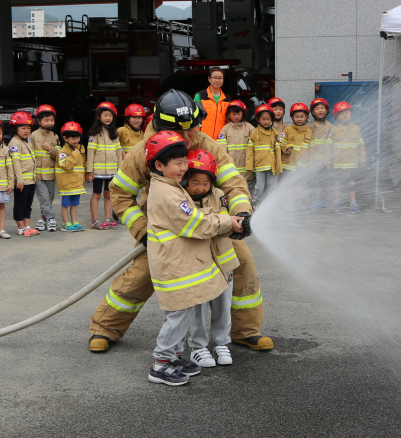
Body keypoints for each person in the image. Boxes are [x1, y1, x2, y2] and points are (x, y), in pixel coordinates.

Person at [88, 89, 272, 353]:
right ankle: (105, 328)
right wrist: (142, 230)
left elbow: (234, 184)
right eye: (179, 131)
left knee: (242, 265)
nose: (188, 137)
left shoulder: (207, 143)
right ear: (162, 126)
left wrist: (242, 213)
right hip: (168, 231)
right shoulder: (145, 151)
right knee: (140, 277)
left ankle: (246, 331)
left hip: (213, 227)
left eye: (193, 128)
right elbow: (120, 193)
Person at [143, 132, 244, 386]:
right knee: (177, 315)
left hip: (179, 264)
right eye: (177, 163)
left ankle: (175, 356)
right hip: (173, 267)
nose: (182, 168)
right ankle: (161, 363)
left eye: (183, 162)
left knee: (185, 311)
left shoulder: (170, 187)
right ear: (159, 165)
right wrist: (227, 221)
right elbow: (195, 224)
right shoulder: (168, 194)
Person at [181, 148, 239, 368]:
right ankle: (198, 346)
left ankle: (221, 342)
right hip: (196, 261)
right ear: (185, 179)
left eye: (206, 183)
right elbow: (193, 225)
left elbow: (223, 223)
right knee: (198, 304)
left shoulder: (219, 195)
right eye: (195, 182)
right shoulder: (181, 199)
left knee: (223, 303)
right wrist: (218, 220)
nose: (201, 188)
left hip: (223, 259)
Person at [86, 102, 121, 229]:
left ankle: (107, 219)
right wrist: (89, 171)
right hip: (98, 171)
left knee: (108, 195)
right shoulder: (94, 133)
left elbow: (118, 153)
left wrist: (119, 171)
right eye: (105, 115)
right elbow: (90, 153)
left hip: (112, 171)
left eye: (110, 115)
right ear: (98, 116)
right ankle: (95, 221)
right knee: (96, 195)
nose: (108, 118)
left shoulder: (114, 133)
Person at [330, 101, 367, 213]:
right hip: (338, 163)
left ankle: (353, 202)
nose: (345, 115)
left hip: (352, 163)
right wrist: (328, 160)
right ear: (337, 117)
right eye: (341, 114)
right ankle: (337, 202)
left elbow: (361, 146)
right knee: (338, 183)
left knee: (352, 183)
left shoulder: (356, 128)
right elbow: (328, 147)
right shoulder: (334, 130)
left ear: (351, 114)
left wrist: (363, 159)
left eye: (347, 112)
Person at [52, 120, 87, 232]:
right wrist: (75, 154)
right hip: (66, 184)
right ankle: (65, 223)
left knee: (74, 204)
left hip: (77, 183)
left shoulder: (81, 149)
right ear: (65, 138)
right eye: (72, 138)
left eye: (77, 137)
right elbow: (65, 166)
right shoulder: (62, 152)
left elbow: (83, 165)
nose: (75, 140)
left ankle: (74, 221)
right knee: (65, 204)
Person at [8, 111, 39, 237]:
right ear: (15, 129)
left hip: (31, 180)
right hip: (22, 181)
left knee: (28, 204)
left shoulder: (27, 141)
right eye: (23, 128)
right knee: (20, 205)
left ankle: (27, 225)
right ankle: (20, 227)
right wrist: (19, 180)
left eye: (29, 128)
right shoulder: (15, 143)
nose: (26, 131)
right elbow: (16, 163)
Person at [246, 103, 282, 205]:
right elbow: (250, 150)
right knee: (259, 187)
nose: (266, 122)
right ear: (258, 120)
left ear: (271, 119)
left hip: (272, 165)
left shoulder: (274, 133)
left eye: (268, 119)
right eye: (263, 119)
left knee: (272, 187)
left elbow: (279, 147)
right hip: (260, 165)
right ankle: (255, 203)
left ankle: (271, 204)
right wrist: (249, 165)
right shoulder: (254, 133)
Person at [31, 104, 59, 232]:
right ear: (38, 121)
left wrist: (50, 149)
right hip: (37, 174)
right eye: (46, 120)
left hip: (51, 173)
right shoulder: (33, 136)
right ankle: (52, 218)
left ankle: (42, 218)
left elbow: (59, 155)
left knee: (50, 197)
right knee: (44, 197)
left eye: (51, 120)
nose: (49, 122)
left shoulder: (55, 136)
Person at [308, 97, 333, 210]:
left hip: (325, 161)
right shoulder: (310, 127)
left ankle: (324, 200)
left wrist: (330, 160)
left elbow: (332, 145)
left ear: (327, 110)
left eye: (322, 108)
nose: (320, 110)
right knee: (313, 182)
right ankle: (313, 201)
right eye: (317, 108)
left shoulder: (331, 127)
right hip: (313, 161)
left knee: (325, 183)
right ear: (313, 112)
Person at [217, 99, 252, 178]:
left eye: (238, 114)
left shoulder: (249, 127)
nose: (236, 116)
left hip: (247, 170)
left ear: (243, 113)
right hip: (231, 170)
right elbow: (222, 149)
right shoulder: (225, 129)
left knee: (248, 188)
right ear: (229, 115)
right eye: (233, 114)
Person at [194, 67, 230, 140]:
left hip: (220, 139)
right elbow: (193, 117)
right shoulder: (200, 96)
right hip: (203, 138)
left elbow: (228, 119)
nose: (217, 80)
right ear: (209, 79)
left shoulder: (227, 98)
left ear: (223, 80)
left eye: (220, 78)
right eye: (215, 78)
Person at [280, 102, 313, 175]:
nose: (299, 119)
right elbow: (281, 142)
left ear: (306, 117)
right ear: (292, 117)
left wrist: (310, 163)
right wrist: (286, 147)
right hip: (288, 164)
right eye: (296, 116)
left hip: (302, 166)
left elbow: (311, 148)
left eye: (302, 116)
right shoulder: (287, 129)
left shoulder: (309, 132)